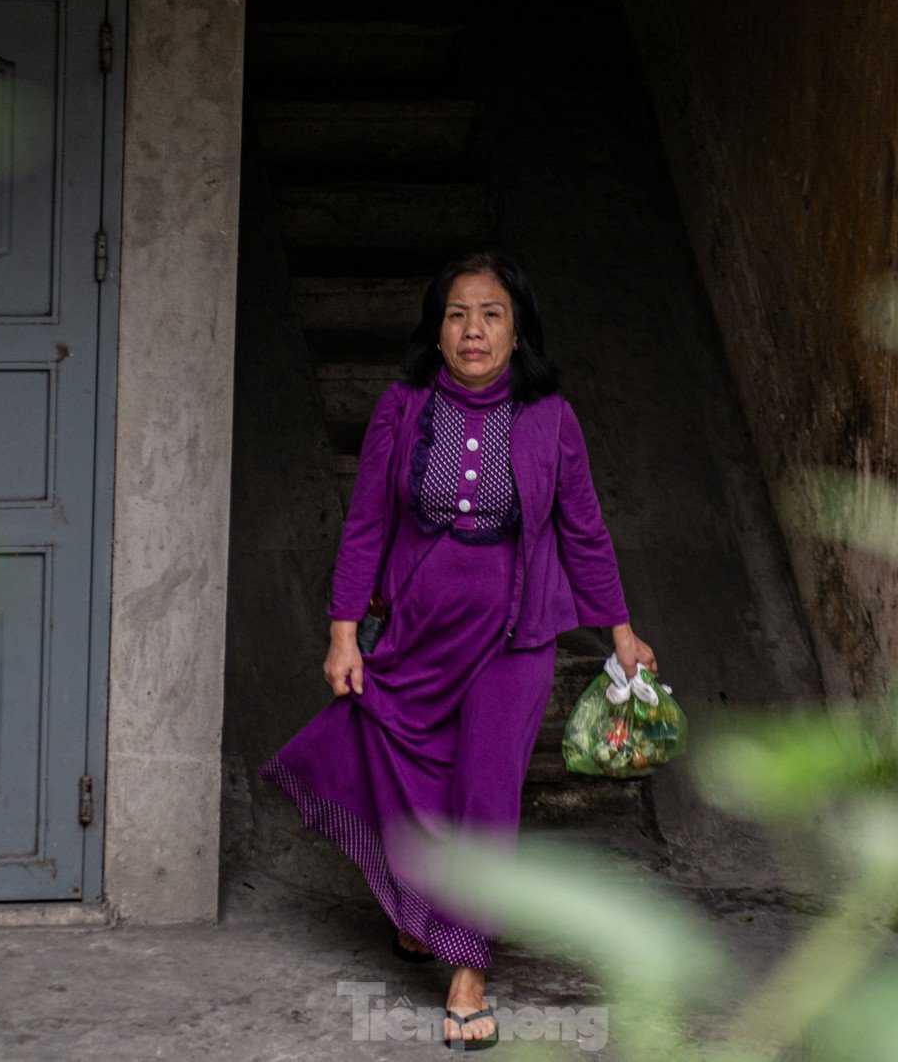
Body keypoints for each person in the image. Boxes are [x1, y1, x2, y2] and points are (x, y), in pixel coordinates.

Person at [258, 249, 658, 1051]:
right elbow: (368, 521)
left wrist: (620, 631)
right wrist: (344, 631)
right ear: (436, 331)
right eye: (457, 314)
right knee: (411, 779)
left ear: (518, 330)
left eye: (492, 314)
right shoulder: (404, 407)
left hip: (514, 642)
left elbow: (583, 529)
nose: (473, 330)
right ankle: (421, 907)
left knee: (484, 792)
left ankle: (468, 968)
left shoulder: (551, 417)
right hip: (413, 636)